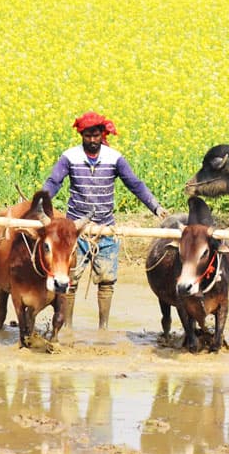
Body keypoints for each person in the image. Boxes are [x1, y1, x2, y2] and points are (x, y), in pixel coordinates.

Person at [43, 111, 170, 329]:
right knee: (70, 281)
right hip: (76, 228)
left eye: (96, 136)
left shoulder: (114, 158)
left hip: (106, 228)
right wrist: (41, 203)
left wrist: (155, 207)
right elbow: (54, 181)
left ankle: (103, 328)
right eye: (87, 136)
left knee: (106, 281)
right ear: (81, 135)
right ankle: (68, 328)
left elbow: (135, 184)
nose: (92, 141)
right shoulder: (70, 157)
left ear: (103, 135)